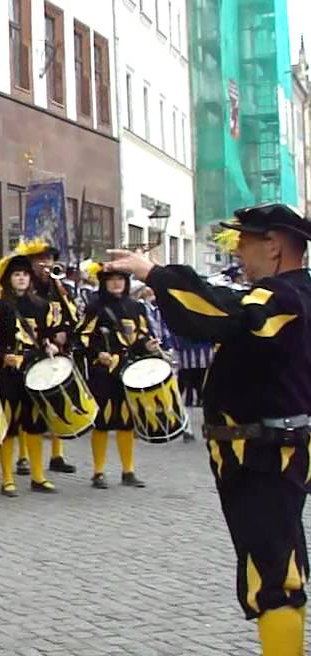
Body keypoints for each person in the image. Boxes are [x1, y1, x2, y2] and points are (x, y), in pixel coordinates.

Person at [107, 203, 311, 656]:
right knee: (276, 566)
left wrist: (154, 273)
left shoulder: (281, 296)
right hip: (265, 451)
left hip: (264, 456)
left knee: (273, 577)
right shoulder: (292, 292)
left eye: (245, 239)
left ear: (273, 245)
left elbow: (221, 313)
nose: (237, 249)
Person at [0, 253, 57, 496]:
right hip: (9, 373)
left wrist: (50, 346)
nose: (21, 278)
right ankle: (7, 479)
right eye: (16, 275)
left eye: (24, 274)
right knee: (9, 426)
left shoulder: (41, 306)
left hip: (34, 371)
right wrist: (1, 357)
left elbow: (46, 336)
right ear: (8, 279)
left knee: (34, 424)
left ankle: (38, 476)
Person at [77, 264, 153, 489]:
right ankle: (98, 472)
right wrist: (97, 353)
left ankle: (128, 471)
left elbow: (142, 335)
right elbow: (81, 337)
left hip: (129, 371)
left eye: (121, 279)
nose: (117, 283)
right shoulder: (95, 307)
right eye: (112, 279)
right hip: (103, 372)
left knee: (127, 422)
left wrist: (148, 344)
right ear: (104, 283)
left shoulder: (136, 307)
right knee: (102, 423)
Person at [17, 238, 79, 476]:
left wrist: (65, 332)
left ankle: (57, 454)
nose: (46, 264)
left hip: (56, 349)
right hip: (30, 349)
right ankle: (23, 456)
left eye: (50, 259)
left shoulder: (59, 288)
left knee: (56, 399)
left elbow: (73, 316)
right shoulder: (24, 289)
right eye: (40, 259)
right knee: (28, 403)